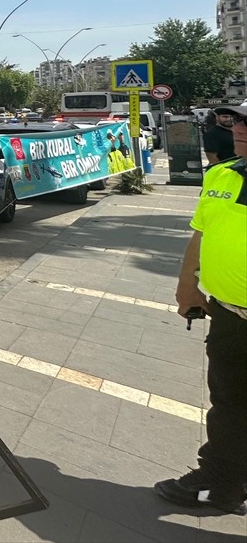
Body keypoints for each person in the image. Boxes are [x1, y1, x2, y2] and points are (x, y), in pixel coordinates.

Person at [154, 103, 247, 517]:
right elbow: (202, 233)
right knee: (228, 400)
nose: (239, 128)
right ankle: (222, 480)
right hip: (229, 313)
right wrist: (186, 286)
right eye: (237, 120)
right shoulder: (223, 174)